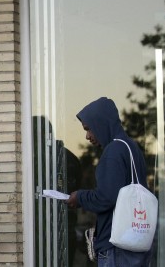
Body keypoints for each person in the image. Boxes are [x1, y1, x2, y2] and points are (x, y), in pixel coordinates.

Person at [65, 97, 152, 266]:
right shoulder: (131, 147)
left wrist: (79, 197)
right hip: (136, 241)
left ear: (101, 123)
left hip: (116, 247)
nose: (87, 136)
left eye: (89, 129)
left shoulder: (113, 151)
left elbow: (107, 197)